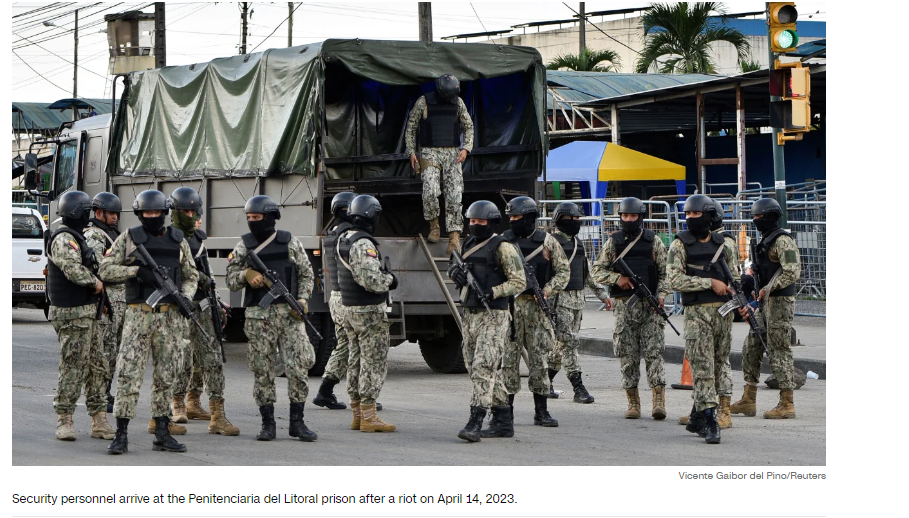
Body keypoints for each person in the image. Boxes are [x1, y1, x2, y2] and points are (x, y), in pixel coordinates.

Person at [99, 189, 199, 454]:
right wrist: (136, 271)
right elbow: (105, 269)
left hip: (170, 317)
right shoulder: (129, 238)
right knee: (129, 375)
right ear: (139, 214)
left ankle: (162, 431)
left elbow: (191, 275)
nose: (152, 216)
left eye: (156, 212)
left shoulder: (178, 240)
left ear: (165, 213)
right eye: (147, 213)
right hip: (138, 315)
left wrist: (186, 297)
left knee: (166, 376)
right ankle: (121, 433)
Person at [225, 195, 317, 442]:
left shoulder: (290, 242)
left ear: (271, 217)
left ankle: (297, 423)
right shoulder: (244, 246)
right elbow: (230, 279)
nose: (252, 221)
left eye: (257, 217)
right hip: (259, 318)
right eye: (249, 218)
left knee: (298, 367)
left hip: (290, 315)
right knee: (262, 370)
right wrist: (246, 274)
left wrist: (303, 299)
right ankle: (268, 424)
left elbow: (306, 273)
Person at [447, 200, 526, 442]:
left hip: (494, 315)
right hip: (470, 314)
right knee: (476, 367)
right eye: (472, 221)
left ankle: (476, 420)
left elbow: (519, 282)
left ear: (492, 223)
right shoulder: (468, 243)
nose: (475, 225)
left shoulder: (503, 248)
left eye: (481, 221)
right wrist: (455, 273)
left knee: (483, 367)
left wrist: (494, 292)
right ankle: (503, 419)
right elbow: (455, 266)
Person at [667, 194, 738, 444]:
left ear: (708, 216)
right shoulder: (679, 245)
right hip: (697, 314)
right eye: (687, 214)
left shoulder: (724, 244)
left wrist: (740, 300)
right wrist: (708, 283)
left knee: (718, 365)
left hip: (723, 314)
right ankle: (710, 420)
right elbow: (674, 280)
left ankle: (698, 415)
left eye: (695, 214)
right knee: (703, 367)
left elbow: (734, 277)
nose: (690, 218)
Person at [591, 197, 671, 420]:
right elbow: (596, 270)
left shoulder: (654, 241)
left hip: (650, 308)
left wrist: (661, 295)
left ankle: (658, 402)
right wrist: (618, 279)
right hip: (624, 309)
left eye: (632, 216)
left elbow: (665, 273)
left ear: (640, 217)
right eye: (625, 216)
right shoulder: (613, 242)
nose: (628, 220)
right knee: (628, 356)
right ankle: (633, 403)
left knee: (654, 354)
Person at [168, 187, 238, 436]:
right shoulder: (169, 238)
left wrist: (216, 302)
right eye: (184, 211)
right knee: (182, 358)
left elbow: (208, 275)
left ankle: (213, 412)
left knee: (211, 359)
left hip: (204, 305)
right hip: (180, 307)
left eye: (193, 212)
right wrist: (200, 278)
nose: (190, 216)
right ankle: (177, 403)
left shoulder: (198, 239)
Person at [46, 191, 115, 442]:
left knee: (98, 366)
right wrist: (96, 284)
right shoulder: (64, 238)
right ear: (78, 212)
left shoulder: (78, 237)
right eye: (86, 211)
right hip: (71, 313)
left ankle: (99, 419)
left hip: (87, 312)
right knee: (73, 366)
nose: (89, 216)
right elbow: (72, 269)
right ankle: (64, 419)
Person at [499, 196, 569, 430]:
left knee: (539, 360)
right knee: (508, 360)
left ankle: (542, 411)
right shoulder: (503, 241)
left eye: (517, 217)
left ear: (530, 218)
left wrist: (547, 290)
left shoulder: (547, 242)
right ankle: (505, 412)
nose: (513, 221)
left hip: (537, 307)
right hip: (511, 307)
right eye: (510, 217)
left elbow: (563, 272)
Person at [731, 197, 801, 419]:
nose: (755, 220)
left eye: (759, 216)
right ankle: (748, 399)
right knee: (751, 346)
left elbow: (792, 271)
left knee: (779, 349)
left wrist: (768, 288)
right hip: (765, 302)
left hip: (780, 302)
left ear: (770, 217)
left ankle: (787, 403)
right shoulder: (764, 241)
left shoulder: (782, 240)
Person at [313, 191, 380, 412]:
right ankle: (362, 396)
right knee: (357, 348)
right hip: (348, 297)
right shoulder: (349, 235)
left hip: (336, 296)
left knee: (344, 345)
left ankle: (326, 390)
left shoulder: (333, 232)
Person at [336, 195, 396, 432]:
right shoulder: (363, 243)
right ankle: (369, 417)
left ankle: (357, 415)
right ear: (371, 215)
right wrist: (390, 280)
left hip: (350, 309)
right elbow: (370, 280)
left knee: (355, 360)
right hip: (369, 312)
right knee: (373, 362)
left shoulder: (344, 238)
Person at [546, 202, 610, 404]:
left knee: (561, 345)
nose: (575, 222)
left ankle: (545, 382)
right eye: (570, 219)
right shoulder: (551, 243)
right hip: (559, 302)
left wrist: (603, 295)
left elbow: (587, 274)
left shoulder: (578, 244)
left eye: (577, 219)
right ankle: (578, 387)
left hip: (577, 303)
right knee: (569, 344)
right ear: (559, 220)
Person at [405, 74, 474, 256]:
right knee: (430, 190)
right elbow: (411, 127)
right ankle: (434, 226)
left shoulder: (458, 102)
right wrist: (411, 152)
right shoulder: (424, 102)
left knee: (454, 194)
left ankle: (454, 237)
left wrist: (466, 148)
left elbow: (468, 126)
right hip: (430, 152)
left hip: (453, 153)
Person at [83, 192, 124, 414]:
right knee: (105, 350)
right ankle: (100, 394)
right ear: (99, 213)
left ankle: (106, 391)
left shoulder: (113, 233)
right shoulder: (95, 235)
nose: (115, 217)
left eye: (116, 213)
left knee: (114, 350)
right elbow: (99, 267)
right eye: (111, 213)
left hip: (119, 301)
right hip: (106, 301)